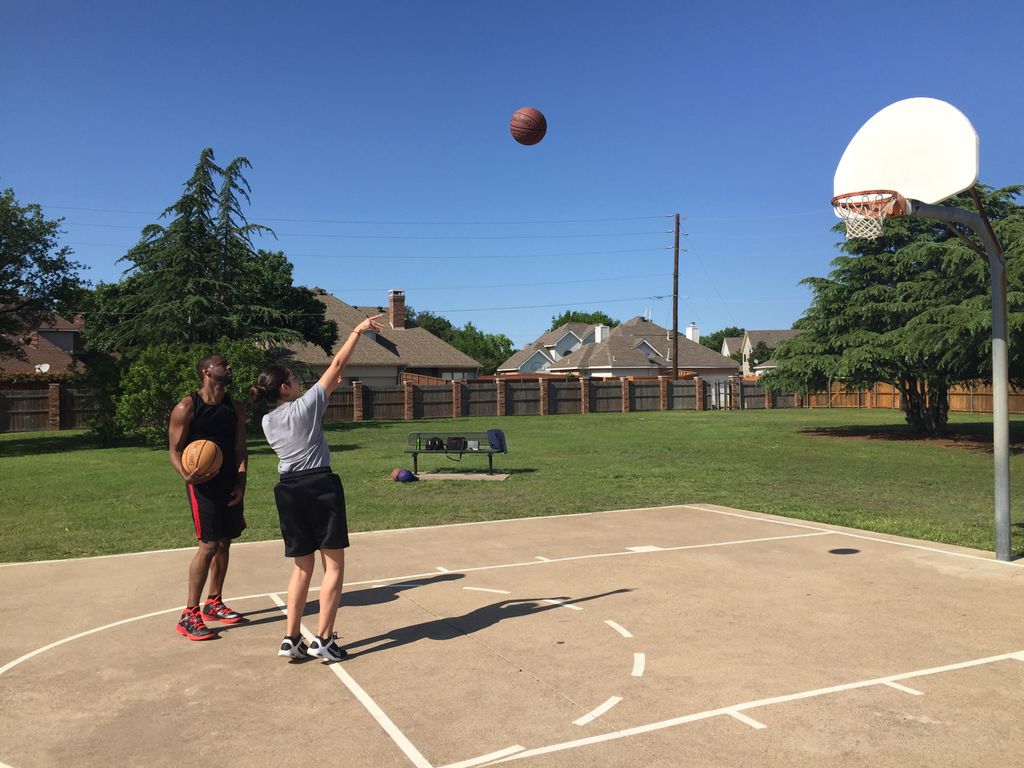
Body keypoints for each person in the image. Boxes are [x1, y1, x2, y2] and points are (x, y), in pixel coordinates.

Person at [250, 314, 383, 660]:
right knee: (334, 566)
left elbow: (333, 376)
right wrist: (357, 330)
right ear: (284, 388)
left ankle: (291, 638)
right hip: (319, 486)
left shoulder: (267, 421)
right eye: (293, 379)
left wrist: (332, 380)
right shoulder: (306, 406)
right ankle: (323, 639)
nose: (298, 383)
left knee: (301, 567)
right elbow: (337, 363)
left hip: (288, 491)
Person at [168, 354, 248, 640]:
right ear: (206, 371)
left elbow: (240, 449)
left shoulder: (234, 407)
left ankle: (214, 601)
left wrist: (241, 482)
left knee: (225, 542)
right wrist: (185, 475)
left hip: (228, 481)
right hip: (201, 483)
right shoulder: (187, 407)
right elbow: (174, 450)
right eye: (223, 364)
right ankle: (189, 614)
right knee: (209, 545)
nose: (229, 367)